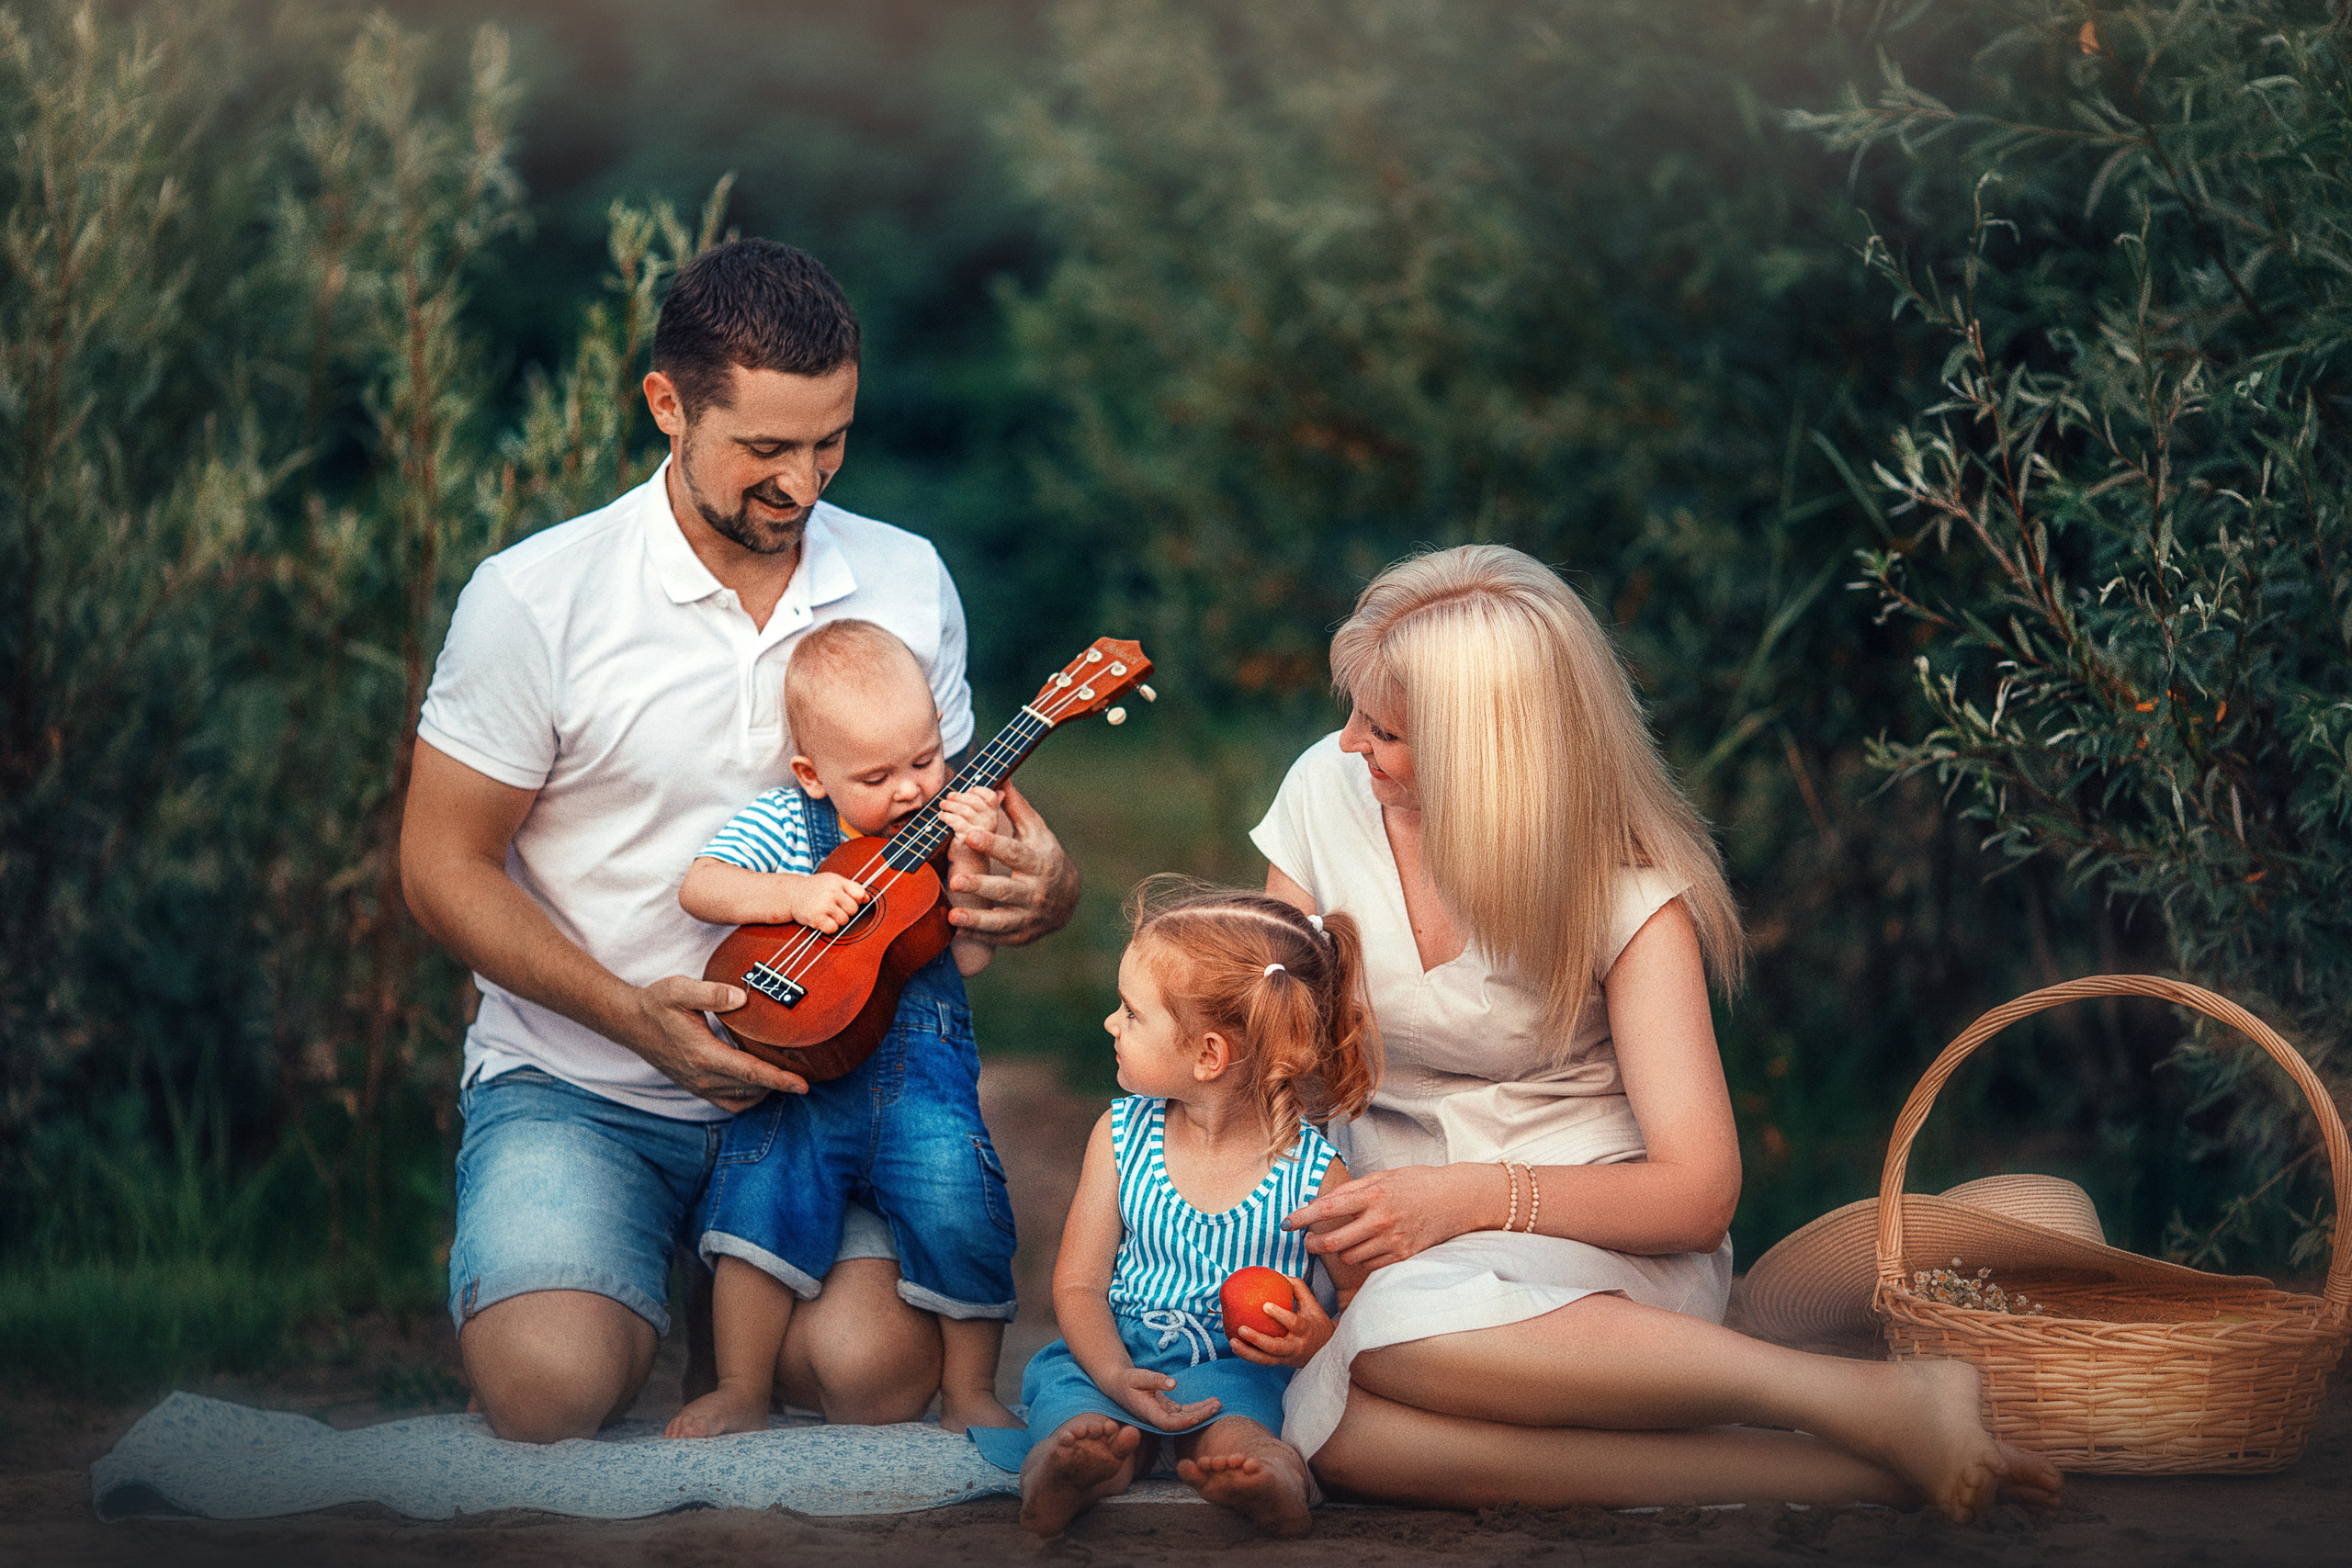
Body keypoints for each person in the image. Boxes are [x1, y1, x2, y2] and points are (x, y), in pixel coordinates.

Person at [400, 239, 1079, 1444]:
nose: (803, 484)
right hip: (583, 1079)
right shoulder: (533, 597)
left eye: (832, 443)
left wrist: (1045, 885)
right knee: (547, 1391)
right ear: (667, 404)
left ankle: (733, 1316)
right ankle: (599, 1284)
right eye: (766, 448)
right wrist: (630, 1015)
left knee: (874, 1378)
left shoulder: (907, 578)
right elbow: (440, 866)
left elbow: (958, 820)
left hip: (830, 1083)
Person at [1254, 544, 2063, 1522]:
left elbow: (1697, 1195)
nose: (1348, 743)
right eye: (1355, 714)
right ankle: (1875, 1453)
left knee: (1391, 1328)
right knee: (1338, 1432)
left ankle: (1830, 1393)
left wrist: (1463, 1199)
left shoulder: (1623, 884)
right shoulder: (1326, 791)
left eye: (1384, 730)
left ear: (1486, 756)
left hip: (1590, 1237)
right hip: (1387, 1244)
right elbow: (1274, 1051)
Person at [664, 618, 1019, 1439]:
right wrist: (791, 894)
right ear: (811, 774)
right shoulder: (787, 822)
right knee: (760, 1197)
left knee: (962, 1205)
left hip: (923, 1090)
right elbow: (700, 885)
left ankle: (969, 1392)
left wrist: (971, 863)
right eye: (877, 775)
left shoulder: (946, 834)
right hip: (804, 1079)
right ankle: (741, 1385)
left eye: (925, 760)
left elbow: (969, 960)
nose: (910, 791)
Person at [970, 886, 1380, 1538]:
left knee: (1244, 1429)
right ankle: (1064, 1470)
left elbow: (1361, 1298)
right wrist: (1114, 1373)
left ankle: (1270, 1478)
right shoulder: (1120, 1136)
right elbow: (1078, 1284)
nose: (1112, 1023)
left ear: (1208, 1055)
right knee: (1074, 1414)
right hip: (1117, 1349)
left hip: (1236, 1370)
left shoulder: (1314, 1174)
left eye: (1132, 1013)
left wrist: (1318, 1341)